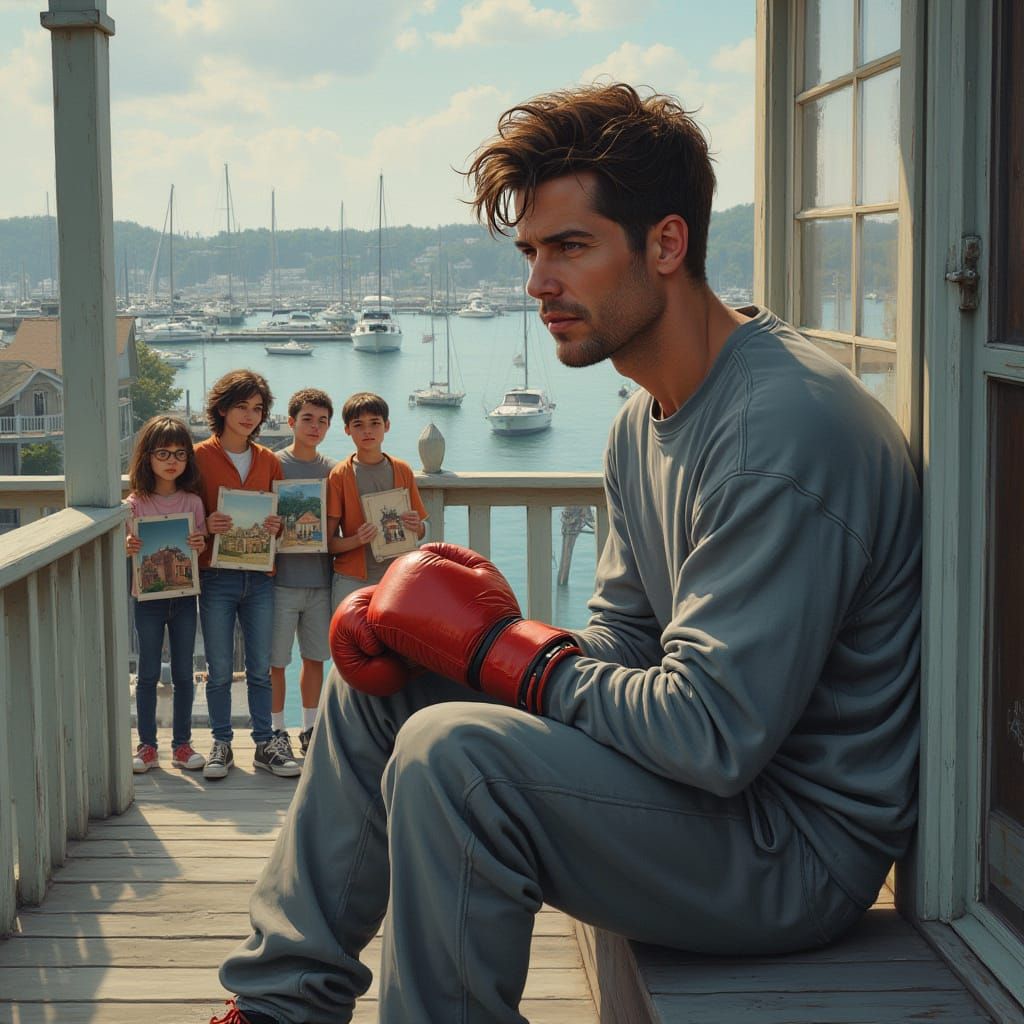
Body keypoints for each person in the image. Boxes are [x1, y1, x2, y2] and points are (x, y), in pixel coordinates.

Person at [209, 83, 921, 1024]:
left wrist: (508, 654)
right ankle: (278, 1009)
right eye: (532, 252)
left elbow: (711, 736)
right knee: (383, 670)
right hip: (711, 806)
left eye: (570, 248)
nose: (538, 284)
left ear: (666, 245)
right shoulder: (643, 419)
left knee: (453, 756)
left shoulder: (778, 438)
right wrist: (465, 645)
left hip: (791, 853)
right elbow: (628, 642)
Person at [194, 369, 298, 781]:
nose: (251, 416)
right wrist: (205, 528)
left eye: (257, 409)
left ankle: (263, 745)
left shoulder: (270, 460)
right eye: (242, 407)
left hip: (260, 577)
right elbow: (181, 510)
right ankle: (221, 743)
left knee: (260, 666)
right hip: (215, 576)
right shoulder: (197, 457)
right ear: (222, 408)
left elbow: (282, 521)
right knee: (219, 668)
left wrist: (277, 526)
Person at [125, 415, 207, 774]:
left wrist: (199, 543)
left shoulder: (192, 502)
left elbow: (200, 545)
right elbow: (127, 546)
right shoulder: (134, 505)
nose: (172, 460)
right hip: (147, 600)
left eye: (179, 453)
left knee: (184, 672)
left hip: (186, 599)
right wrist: (127, 545)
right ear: (147, 457)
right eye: (163, 453)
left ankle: (182, 745)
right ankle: (146, 746)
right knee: (146, 674)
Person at [269, 388, 336, 761]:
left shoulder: (333, 470)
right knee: (276, 661)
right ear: (291, 421)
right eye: (307, 419)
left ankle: (309, 728)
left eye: (322, 421)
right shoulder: (272, 465)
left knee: (315, 659)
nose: (315, 426)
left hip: (320, 579)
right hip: (279, 580)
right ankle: (276, 729)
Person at [323, 391, 427, 612]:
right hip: (352, 580)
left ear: (387, 425)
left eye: (375, 423)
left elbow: (420, 532)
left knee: (395, 644)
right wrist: (357, 539)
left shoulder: (402, 470)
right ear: (347, 429)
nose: (367, 430)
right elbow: (329, 542)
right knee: (349, 645)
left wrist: (416, 526)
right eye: (358, 424)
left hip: (397, 577)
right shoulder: (340, 475)